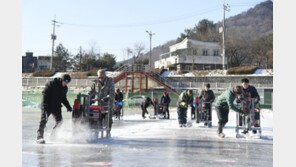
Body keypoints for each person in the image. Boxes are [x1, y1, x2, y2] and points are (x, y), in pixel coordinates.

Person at [36, 74, 72, 144]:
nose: (67, 83)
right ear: (62, 80)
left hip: (56, 107)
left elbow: (63, 98)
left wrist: (68, 106)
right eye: (66, 81)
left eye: (69, 81)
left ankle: (53, 136)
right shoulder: (52, 84)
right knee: (44, 120)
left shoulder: (65, 88)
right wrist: (44, 105)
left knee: (60, 121)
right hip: (47, 106)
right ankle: (39, 137)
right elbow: (45, 94)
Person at [89, 70, 115, 137]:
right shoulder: (95, 82)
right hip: (98, 103)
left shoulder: (110, 81)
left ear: (105, 76)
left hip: (108, 103)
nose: (100, 79)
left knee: (108, 118)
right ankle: (96, 132)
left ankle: (108, 131)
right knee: (97, 117)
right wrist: (89, 98)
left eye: (102, 77)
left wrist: (107, 97)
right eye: (99, 77)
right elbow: (91, 91)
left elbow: (112, 93)